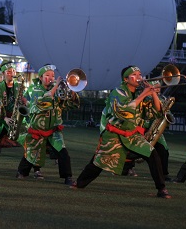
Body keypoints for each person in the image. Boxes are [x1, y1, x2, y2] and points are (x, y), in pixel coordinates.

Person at [72, 65, 172, 199]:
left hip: (133, 135)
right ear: (126, 79)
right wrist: (144, 94)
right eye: (135, 74)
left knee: (152, 154)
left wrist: (153, 93)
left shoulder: (138, 93)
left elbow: (157, 111)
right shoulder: (117, 92)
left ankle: (162, 189)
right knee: (98, 162)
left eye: (140, 74)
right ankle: (79, 183)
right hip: (114, 135)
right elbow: (124, 111)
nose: (139, 77)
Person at [16, 64, 80, 185]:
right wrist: (57, 85)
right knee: (32, 152)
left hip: (54, 128)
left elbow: (70, 105)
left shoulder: (56, 91)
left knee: (63, 152)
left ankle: (67, 177)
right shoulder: (34, 89)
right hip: (37, 128)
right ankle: (22, 172)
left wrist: (71, 92)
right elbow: (42, 102)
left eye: (53, 75)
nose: (51, 78)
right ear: (40, 77)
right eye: (47, 75)